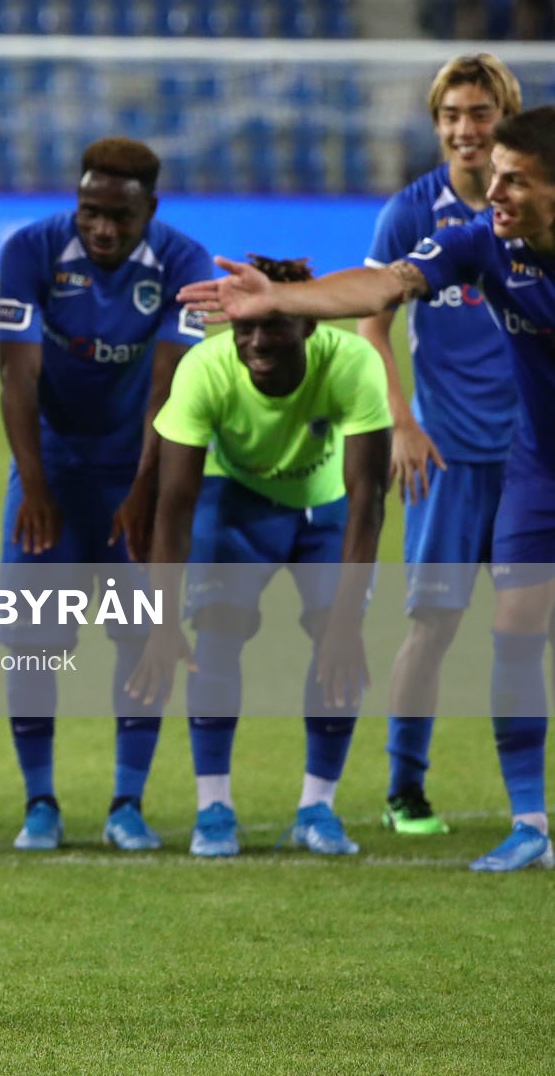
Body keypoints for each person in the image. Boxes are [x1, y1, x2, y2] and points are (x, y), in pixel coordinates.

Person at [179, 107, 555, 871]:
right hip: (539, 468)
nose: (496, 190)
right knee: (515, 635)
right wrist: (281, 299)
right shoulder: (483, 240)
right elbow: (385, 285)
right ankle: (531, 823)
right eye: (496, 175)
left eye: (516, 179)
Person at [0, 137, 214, 852]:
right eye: (90, 211)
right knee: (31, 644)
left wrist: (144, 491)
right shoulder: (32, 250)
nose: (103, 229)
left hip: (137, 470)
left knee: (141, 636)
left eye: (120, 215)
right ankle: (40, 804)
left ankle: (127, 803)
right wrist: (34, 485)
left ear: (150, 207)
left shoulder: (184, 263)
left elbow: (170, 388)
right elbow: (16, 378)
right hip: (48, 467)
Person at [133, 256, 392, 857]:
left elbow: (368, 503)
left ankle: (317, 809)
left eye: (273, 324)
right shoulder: (204, 369)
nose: (255, 340)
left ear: (309, 324)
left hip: (325, 509)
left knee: (337, 638)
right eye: (244, 327)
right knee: (217, 631)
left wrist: (348, 622)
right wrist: (160, 620)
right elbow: (173, 509)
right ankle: (214, 809)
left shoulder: (353, 364)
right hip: (236, 502)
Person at [359, 55, 522, 836]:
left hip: (533, 455)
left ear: (506, 118)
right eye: (452, 114)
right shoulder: (408, 214)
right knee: (434, 624)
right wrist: (402, 421)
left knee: (532, 626)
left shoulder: (536, 211)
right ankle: (404, 788)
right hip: (445, 454)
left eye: (481, 112)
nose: (466, 128)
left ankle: (527, 795)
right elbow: (371, 323)